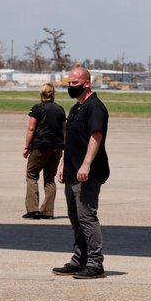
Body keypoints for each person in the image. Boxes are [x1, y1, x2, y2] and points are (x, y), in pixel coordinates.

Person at [52, 66, 110, 280]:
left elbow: (96, 137)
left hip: (88, 173)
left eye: (75, 83)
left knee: (87, 217)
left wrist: (86, 165)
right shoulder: (77, 107)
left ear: (87, 83)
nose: (70, 86)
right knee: (75, 218)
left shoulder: (95, 107)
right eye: (69, 83)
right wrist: (63, 164)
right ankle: (79, 259)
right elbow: (71, 140)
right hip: (71, 172)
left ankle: (95, 263)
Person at [22, 83, 66, 220]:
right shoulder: (60, 109)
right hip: (56, 148)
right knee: (49, 179)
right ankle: (47, 211)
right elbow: (65, 129)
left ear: (41, 94)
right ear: (53, 94)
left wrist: (26, 146)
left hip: (40, 147)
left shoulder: (37, 108)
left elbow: (31, 129)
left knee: (32, 175)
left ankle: (32, 210)